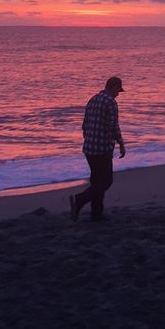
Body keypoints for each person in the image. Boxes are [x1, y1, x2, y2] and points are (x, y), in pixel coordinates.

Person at [68, 76, 126, 222]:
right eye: (117, 90)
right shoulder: (110, 102)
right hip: (102, 148)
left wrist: (88, 138)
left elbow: (84, 124)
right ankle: (79, 200)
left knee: (97, 182)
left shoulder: (92, 100)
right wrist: (121, 143)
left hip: (89, 148)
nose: (118, 94)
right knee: (106, 181)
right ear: (112, 86)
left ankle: (97, 214)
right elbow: (113, 126)